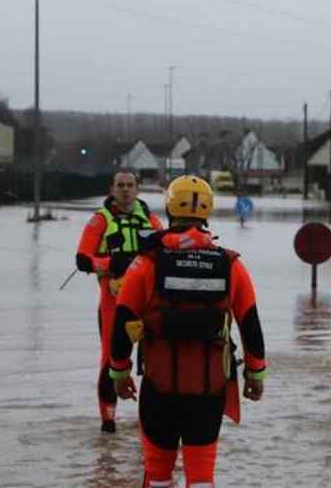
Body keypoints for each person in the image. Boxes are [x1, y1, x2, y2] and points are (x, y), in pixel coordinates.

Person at [109, 175, 267, 487]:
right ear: (207, 212)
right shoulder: (230, 264)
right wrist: (256, 374)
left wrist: (119, 373)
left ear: (169, 208)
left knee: (157, 475)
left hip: (158, 385)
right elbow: (250, 323)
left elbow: (122, 320)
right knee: (201, 478)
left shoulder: (146, 262)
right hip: (208, 390)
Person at [75, 171, 163, 433]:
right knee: (109, 359)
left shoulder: (150, 219)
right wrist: (111, 263)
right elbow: (82, 260)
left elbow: (166, 253)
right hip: (112, 299)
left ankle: (150, 417)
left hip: (146, 301)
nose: (125, 190)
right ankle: (108, 421)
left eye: (130, 185)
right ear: (111, 189)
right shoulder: (100, 221)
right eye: (120, 186)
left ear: (137, 189)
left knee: (153, 358)